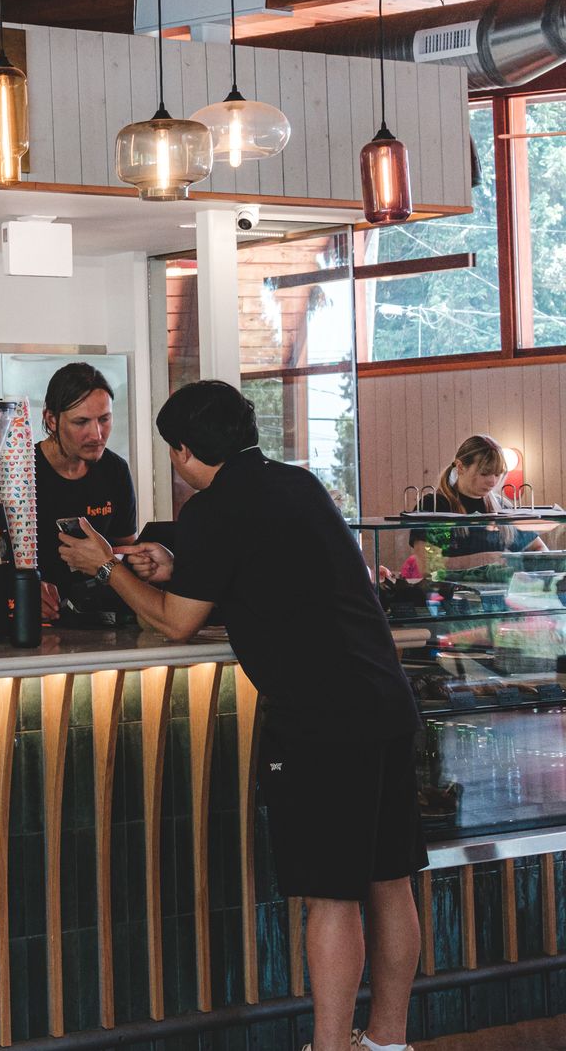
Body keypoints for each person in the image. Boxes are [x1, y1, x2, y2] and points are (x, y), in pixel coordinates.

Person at [58, 382, 421, 1051]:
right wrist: (176, 563)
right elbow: (270, 574)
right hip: (387, 702)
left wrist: (106, 565)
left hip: (322, 720)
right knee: (389, 882)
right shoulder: (297, 484)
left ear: (184, 452)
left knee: (332, 896)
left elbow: (175, 621)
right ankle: (387, 1042)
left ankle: (330, 1047)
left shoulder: (212, 509)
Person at [32, 362, 137, 628]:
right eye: (81, 422)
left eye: (104, 419)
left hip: (101, 621)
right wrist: (20, 589)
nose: (96, 434)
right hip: (34, 623)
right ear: (51, 420)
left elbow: (126, 550)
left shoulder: (115, 470)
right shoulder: (22, 472)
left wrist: (144, 562)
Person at [416, 434, 545, 564]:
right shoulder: (434, 506)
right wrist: (483, 559)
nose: (492, 482)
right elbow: (428, 565)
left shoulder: (502, 507)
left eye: (497, 474)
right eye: (484, 473)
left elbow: (539, 548)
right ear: (460, 467)